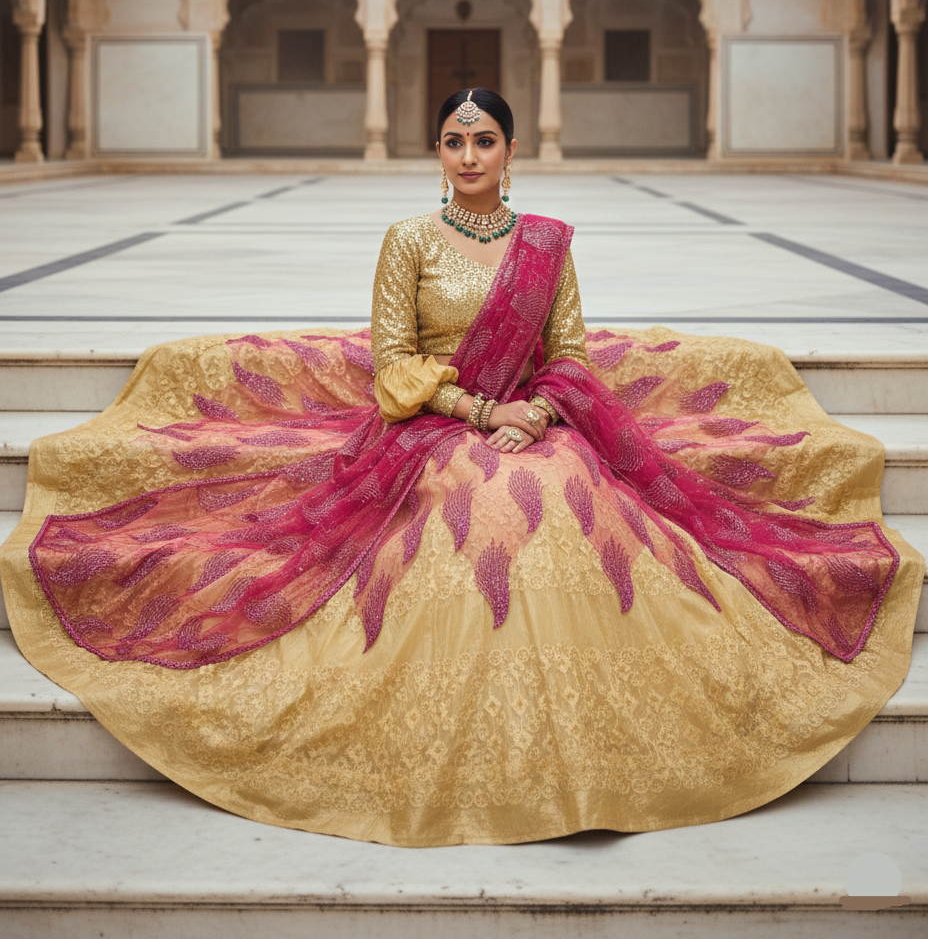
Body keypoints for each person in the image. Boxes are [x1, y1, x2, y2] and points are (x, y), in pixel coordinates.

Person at [0, 89, 922, 848]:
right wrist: (480, 411)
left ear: (511, 148)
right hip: (430, 422)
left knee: (558, 494)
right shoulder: (406, 240)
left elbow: (571, 352)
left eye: (483, 140)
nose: (468, 155)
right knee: (466, 502)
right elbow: (390, 356)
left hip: (535, 419)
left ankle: (580, 759)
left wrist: (544, 412)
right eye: (453, 140)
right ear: (435, 151)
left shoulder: (548, 243)